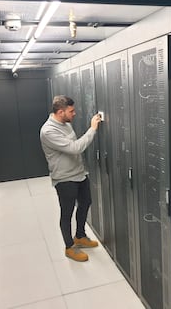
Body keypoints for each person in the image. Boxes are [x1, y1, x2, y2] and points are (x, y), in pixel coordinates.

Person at [40, 95, 102, 262]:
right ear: (60, 112)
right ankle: (69, 247)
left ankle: (80, 236)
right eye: (71, 111)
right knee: (67, 213)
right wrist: (93, 129)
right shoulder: (48, 131)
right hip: (65, 178)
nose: (74, 114)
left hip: (79, 173)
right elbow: (75, 148)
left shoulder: (65, 123)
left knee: (86, 202)